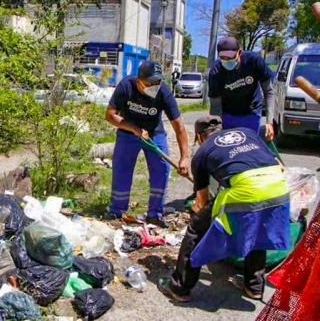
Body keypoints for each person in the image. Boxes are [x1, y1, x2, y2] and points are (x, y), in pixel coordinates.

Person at [158, 115, 290, 303]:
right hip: (278, 188)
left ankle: (179, 287)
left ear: (198, 137)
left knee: (196, 228)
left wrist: (198, 211)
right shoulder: (247, 133)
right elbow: (281, 167)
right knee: (258, 225)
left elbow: (201, 202)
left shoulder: (202, 152)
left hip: (247, 190)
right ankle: (254, 286)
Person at [105, 60, 190, 228]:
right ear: (139, 81)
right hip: (127, 132)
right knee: (122, 169)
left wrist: (185, 157)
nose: (155, 85)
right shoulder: (126, 86)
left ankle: (155, 214)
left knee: (161, 169)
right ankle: (116, 211)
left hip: (154, 133)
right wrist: (134, 128)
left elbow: (179, 127)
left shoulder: (163, 93)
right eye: (150, 83)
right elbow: (109, 115)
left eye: (158, 82)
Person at [208, 37, 275, 140]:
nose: (227, 61)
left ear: (239, 52)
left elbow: (269, 91)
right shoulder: (215, 72)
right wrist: (216, 128)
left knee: (249, 146)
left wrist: (269, 122)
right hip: (228, 115)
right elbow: (215, 105)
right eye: (223, 58)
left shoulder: (254, 61)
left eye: (230, 58)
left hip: (252, 113)